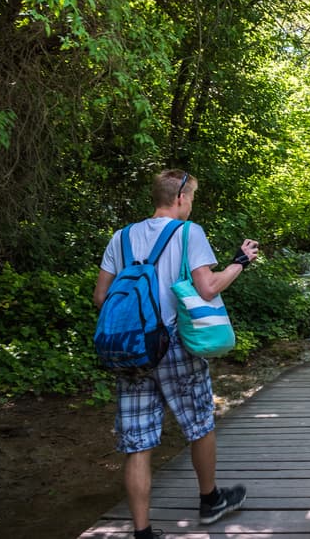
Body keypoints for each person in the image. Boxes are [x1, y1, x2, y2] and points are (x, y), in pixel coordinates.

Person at [93, 169, 258, 539]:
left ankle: (143, 531)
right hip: (174, 345)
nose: (192, 203)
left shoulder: (121, 239)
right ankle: (210, 499)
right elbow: (207, 289)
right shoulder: (189, 233)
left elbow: (101, 298)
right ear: (180, 197)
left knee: (138, 442)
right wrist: (239, 262)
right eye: (193, 196)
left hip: (131, 349)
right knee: (199, 424)